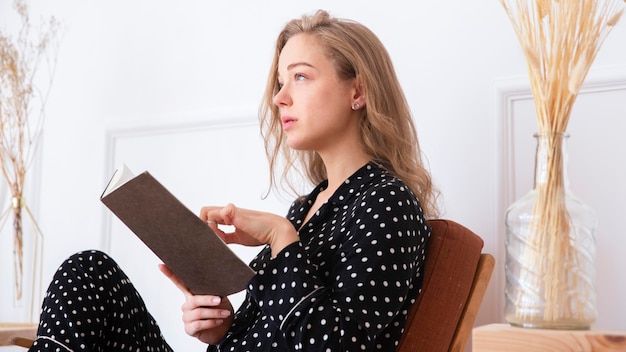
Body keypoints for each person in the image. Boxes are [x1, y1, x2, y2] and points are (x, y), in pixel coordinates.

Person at [28, 9, 439, 352]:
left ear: (358, 91)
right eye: (280, 83)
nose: (279, 97)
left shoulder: (387, 203)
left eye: (300, 77)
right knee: (87, 273)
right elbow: (272, 332)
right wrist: (221, 330)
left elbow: (337, 344)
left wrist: (280, 236)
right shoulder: (307, 207)